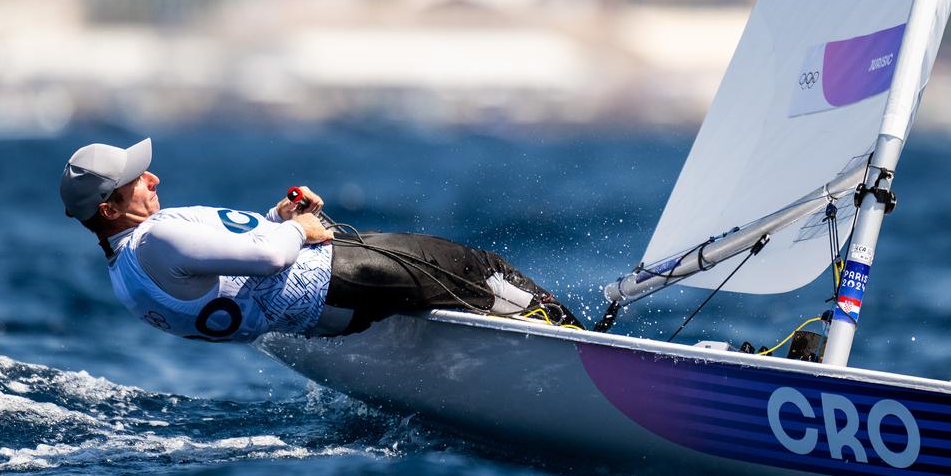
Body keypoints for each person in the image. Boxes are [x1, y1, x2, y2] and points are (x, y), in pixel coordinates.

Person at [60, 137, 579, 343]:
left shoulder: (126, 273)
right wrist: (296, 230)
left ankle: (532, 332)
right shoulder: (154, 241)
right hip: (343, 278)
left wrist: (279, 216)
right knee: (478, 269)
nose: (152, 179)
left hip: (325, 311)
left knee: (467, 287)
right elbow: (267, 257)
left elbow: (231, 278)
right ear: (109, 209)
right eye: (138, 180)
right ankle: (574, 339)